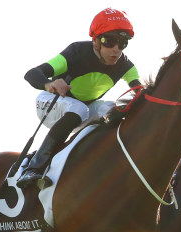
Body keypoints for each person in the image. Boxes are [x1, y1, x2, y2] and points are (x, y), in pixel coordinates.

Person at [18, 8, 141, 188]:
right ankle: (33, 167)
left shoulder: (126, 66)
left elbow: (141, 93)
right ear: (96, 41)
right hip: (50, 102)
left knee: (112, 108)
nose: (116, 49)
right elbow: (32, 73)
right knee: (79, 108)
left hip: (81, 111)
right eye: (109, 41)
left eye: (122, 43)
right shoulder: (77, 51)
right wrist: (48, 84)